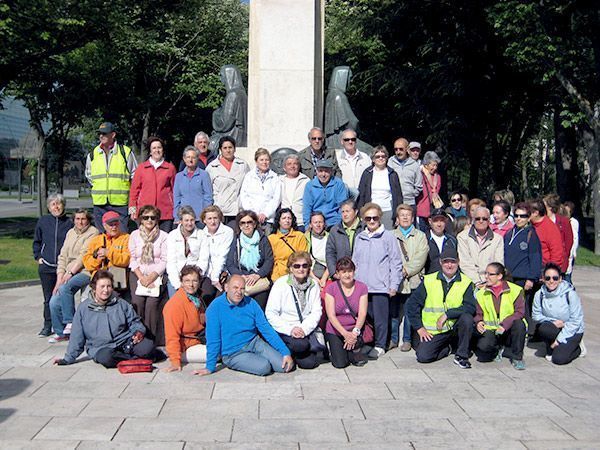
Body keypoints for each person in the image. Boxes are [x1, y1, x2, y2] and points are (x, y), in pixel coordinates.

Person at [195, 274, 294, 377]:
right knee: (264, 367)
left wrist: (285, 352)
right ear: (226, 287)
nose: (239, 292)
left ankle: (256, 358)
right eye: (235, 287)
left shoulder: (251, 303)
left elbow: (266, 329)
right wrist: (209, 367)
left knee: (285, 366)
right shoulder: (215, 308)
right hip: (233, 352)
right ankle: (240, 362)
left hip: (254, 343)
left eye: (242, 288)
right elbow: (213, 339)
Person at [53, 270, 155, 368]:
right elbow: (76, 336)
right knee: (106, 358)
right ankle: (135, 359)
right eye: (102, 286)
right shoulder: (83, 309)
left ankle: (128, 358)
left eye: (109, 286)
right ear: (94, 288)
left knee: (148, 347)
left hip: (125, 341)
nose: (106, 290)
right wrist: (67, 359)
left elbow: (134, 321)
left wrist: (138, 331)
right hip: (101, 347)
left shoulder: (121, 303)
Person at [406, 247, 475, 368]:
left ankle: (462, 355)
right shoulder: (429, 280)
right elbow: (412, 305)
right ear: (440, 262)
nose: (449, 265)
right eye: (446, 261)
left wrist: (448, 314)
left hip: (455, 327)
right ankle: (447, 348)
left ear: (458, 262)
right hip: (435, 331)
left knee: (467, 318)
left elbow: (470, 307)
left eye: (453, 262)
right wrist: (420, 328)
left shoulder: (466, 282)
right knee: (423, 357)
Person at [352, 203, 403, 359]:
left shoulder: (388, 237)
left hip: (380, 286)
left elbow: (396, 262)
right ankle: (368, 342)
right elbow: (355, 261)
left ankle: (381, 344)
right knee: (365, 317)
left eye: (375, 217)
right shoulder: (360, 237)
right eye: (368, 218)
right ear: (363, 219)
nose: (372, 221)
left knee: (381, 318)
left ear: (380, 218)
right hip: (362, 286)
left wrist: (394, 285)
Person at [48, 209, 98, 343]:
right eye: (77, 219)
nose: (80, 222)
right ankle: (61, 332)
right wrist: (59, 279)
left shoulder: (93, 232)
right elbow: (63, 255)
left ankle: (70, 322)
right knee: (53, 301)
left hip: (85, 271)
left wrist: (70, 273)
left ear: (88, 220)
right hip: (67, 272)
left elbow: (83, 256)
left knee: (66, 288)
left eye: (83, 219)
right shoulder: (70, 232)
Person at [265, 252, 323, 369]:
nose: (300, 269)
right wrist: (290, 330)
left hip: (304, 329)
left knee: (309, 363)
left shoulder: (314, 285)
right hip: (285, 328)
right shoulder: (281, 284)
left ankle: (294, 353)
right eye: (296, 266)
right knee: (301, 345)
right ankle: (284, 349)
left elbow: (316, 311)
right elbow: (271, 313)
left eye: (304, 266)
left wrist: (303, 329)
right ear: (290, 268)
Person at [33, 194, 73, 337]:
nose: (56, 207)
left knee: (62, 297)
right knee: (48, 297)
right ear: (49, 208)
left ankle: (63, 324)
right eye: (53, 204)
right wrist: (38, 256)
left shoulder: (69, 223)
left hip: (64, 267)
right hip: (47, 266)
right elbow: (37, 241)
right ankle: (47, 325)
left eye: (58, 204)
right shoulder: (43, 221)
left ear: (63, 205)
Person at [474, 263, 527, 370]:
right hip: (492, 329)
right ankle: (498, 349)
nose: (486, 277)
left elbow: (519, 312)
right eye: (486, 273)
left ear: (499, 276)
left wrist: (504, 325)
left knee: (519, 324)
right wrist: (479, 321)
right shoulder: (481, 293)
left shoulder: (515, 290)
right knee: (483, 349)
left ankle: (517, 357)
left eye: (490, 274)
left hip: (509, 329)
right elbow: (479, 313)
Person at [86, 122, 137, 231]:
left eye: (104, 133)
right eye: (99, 133)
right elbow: (89, 176)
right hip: (100, 204)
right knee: (102, 237)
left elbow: (135, 177)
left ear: (113, 135)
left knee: (121, 236)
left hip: (120, 204)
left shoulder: (125, 152)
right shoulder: (92, 154)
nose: (101, 136)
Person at [391, 204, 428, 352]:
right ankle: (393, 339)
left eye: (408, 215)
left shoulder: (420, 236)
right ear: (397, 219)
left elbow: (421, 257)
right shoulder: (390, 235)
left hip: (413, 279)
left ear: (413, 218)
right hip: (394, 280)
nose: (405, 217)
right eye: (402, 215)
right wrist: (396, 272)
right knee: (393, 311)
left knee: (409, 310)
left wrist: (406, 270)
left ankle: (407, 339)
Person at [128, 205, 168, 341]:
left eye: (153, 217)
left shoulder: (163, 236)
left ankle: (150, 338)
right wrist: (141, 278)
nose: (149, 220)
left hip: (156, 275)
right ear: (141, 220)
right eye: (146, 217)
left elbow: (164, 260)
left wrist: (152, 277)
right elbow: (132, 258)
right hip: (137, 274)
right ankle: (137, 333)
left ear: (157, 219)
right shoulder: (134, 235)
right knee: (137, 301)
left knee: (152, 304)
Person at [533, 263, 585, 365]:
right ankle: (552, 347)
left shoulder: (570, 294)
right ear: (543, 279)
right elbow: (536, 316)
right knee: (544, 328)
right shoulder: (539, 294)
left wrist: (559, 340)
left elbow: (576, 320)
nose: (551, 281)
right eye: (547, 278)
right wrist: (553, 322)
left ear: (560, 279)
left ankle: (578, 349)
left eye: (555, 278)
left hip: (573, 329)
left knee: (559, 360)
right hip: (555, 327)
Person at [504, 202, 542, 336]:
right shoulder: (509, 233)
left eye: (523, 216)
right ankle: (512, 329)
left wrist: (531, 278)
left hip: (523, 278)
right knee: (511, 305)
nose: (519, 218)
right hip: (509, 277)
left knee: (523, 306)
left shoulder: (531, 234)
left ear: (529, 217)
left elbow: (535, 258)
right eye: (516, 215)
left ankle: (528, 331)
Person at [324, 257, 369, 368]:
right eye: (343, 272)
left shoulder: (362, 287)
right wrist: (345, 334)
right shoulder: (331, 288)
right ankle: (338, 349)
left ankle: (354, 350)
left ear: (354, 272)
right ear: (338, 274)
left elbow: (362, 313)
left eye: (350, 271)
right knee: (340, 364)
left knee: (353, 355)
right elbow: (331, 315)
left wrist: (354, 333)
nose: (347, 275)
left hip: (354, 328)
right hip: (336, 329)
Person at [225, 210, 274, 309]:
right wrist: (241, 276)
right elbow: (230, 263)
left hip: (258, 278)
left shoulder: (263, 239)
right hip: (241, 277)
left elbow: (269, 260)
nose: (246, 225)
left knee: (258, 305)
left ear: (255, 224)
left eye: (249, 222)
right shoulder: (236, 240)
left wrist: (258, 275)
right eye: (242, 223)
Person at [162, 265, 207, 372]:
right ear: (181, 282)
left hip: (199, 339)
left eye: (194, 281)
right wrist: (175, 361)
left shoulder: (197, 298)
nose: (191, 285)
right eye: (187, 281)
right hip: (186, 346)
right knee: (219, 352)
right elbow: (171, 335)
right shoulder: (174, 305)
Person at [129, 136, 177, 232]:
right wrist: (133, 210)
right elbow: (134, 191)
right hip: (146, 213)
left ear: (163, 150)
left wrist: (175, 211)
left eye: (159, 147)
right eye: (154, 148)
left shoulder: (170, 168)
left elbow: (175, 191)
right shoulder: (141, 168)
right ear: (150, 151)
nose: (157, 150)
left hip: (165, 212)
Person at [356, 145, 403, 230]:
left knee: (388, 237)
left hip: (388, 211)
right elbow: (361, 195)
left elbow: (399, 196)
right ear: (373, 159)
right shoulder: (367, 173)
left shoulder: (392, 174)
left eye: (383, 156)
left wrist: (398, 215)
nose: (380, 158)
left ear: (387, 158)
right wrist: (361, 214)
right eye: (377, 156)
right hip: (371, 211)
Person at [206, 136, 250, 224]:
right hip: (220, 210)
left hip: (237, 209)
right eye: (225, 148)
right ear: (220, 149)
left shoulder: (243, 165)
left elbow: (249, 186)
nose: (228, 150)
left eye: (230, 147)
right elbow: (208, 190)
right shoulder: (212, 167)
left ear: (234, 149)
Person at [195, 205, 234, 303]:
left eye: (215, 218)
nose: (213, 221)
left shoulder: (227, 232)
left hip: (223, 272)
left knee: (220, 300)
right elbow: (202, 258)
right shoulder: (201, 234)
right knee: (205, 297)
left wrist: (215, 277)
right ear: (204, 220)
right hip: (207, 274)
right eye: (209, 218)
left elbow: (222, 256)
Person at [457, 206, 504, 286]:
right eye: (478, 218)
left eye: (484, 219)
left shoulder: (498, 239)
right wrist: (478, 282)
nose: (481, 221)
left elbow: (498, 264)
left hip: (490, 283)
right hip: (469, 281)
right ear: (473, 220)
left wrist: (488, 281)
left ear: (489, 220)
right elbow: (465, 263)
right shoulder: (462, 237)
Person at [239, 148, 282, 234]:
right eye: (261, 160)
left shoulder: (275, 177)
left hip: (267, 220)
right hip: (251, 219)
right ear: (256, 161)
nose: (264, 162)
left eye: (267, 160)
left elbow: (276, 199)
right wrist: (253, 214)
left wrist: (265, 214)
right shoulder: (249, 176)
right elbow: (244, 196)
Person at [166, 206, 203, 298]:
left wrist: (192, 280)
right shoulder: (172, 235)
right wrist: (178, 284)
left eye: (192, 220)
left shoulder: (202, 235)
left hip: (195, 276)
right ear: (181, 221)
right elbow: (171, 261)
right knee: (176, 302)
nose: (189, 223)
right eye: (186, 220)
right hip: (177, 275)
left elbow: (203, 259)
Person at [173, 145, 213, 226]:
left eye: (193, 157)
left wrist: (205, 215)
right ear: (184, 159)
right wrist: (176, 216)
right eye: (188, 157)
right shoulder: (179, 176)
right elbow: (177, 198)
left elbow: (208, 197)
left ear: (197, 159)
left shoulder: (204, 175)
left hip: (199, 218)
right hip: (184, 218)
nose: (190, 160)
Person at [302, 159, 348, 228]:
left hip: (334, 221)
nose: (323, 174)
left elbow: (342, 206)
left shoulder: (339, 184)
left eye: (326, 171)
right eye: (320, 171)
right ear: (316, 171)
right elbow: (307, 208)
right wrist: (307, 226)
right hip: (317, 222)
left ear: (331, 172)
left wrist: (339, 223)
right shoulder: (310, 186)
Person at [82, 211, 130, 277]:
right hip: (99, 278)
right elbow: (87, 264)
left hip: (118, 278)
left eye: (116, 224)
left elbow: (126, 260)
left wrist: (108, 253)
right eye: (111, 225)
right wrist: (98, 259)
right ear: (104, 226)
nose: (114, 227)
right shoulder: (96, 240)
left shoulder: (126, 238)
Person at [325, 199, 365, 277]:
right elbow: (330, 253)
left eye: (347, 211)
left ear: (356, 212)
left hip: (361, 274)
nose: (345, 214)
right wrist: (333, 272)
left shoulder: (364, 228)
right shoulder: (335, 230)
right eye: (343, 212)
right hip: (341, 275)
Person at [268, 208, 309, 282]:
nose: (287, 220)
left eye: (289, 218)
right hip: (277, 276)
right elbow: (270, 260)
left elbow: (303, 257)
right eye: (284, 218)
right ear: (279, 221)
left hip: (295, 274)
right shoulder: (271, 238)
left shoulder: (299, 236)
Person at [387, 137, 422, 214]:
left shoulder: (414, 165)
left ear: (407, 149)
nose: (398, 152)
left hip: (409, 202)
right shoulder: (390, 162)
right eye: (396, 149)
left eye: (401, 149)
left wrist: (411, 194)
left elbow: (419, 185)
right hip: (393, 202)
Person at [529, 199, 566, 272]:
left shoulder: (550, 228)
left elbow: (557, 252)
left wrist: (551, 271)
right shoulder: (529, 226)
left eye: (528, 212)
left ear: (536, 213)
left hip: (544, 268)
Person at [336, 129, 371, 199]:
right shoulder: (336, 158)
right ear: (342, 142)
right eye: (347, 140)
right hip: (344, 197)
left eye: (353, 139)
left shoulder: (365, 158)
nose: (350, 142)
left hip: (362, 197)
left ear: (356, 141)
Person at [544, 193, 574, 274]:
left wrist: (564, 258)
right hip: (544, 263)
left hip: (560, 263)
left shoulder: (564, 222)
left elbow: (569, 242)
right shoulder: (542, 221)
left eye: (544, 205)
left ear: (550, 207)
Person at [280, 154, 310, 231]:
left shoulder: (306, 181)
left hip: (300, 222)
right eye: (289, 164)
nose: (292, 166)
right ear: (284, 168)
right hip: (284, 222)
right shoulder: (279, 181)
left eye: (295, 164)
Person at [415, 151, 443, 231]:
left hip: (433, 211)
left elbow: (437, 191)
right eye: (433, 165)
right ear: (426, 165)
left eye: (436, 165)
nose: (435, 168)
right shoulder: (419, 175)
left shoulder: (437, 177)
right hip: (421, 211)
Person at [424, 208, 458, 274]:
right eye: (435, 221)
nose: (439, 224)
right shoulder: (424, 239)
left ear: (446, 221)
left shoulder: (452, 240)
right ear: (430, 221)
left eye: (442, 221)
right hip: (429, 278)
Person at [305, 212, 330, 287]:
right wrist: (315, 279)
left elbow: (332, 260)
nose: (318, 225)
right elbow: (304, 261)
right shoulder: (305, 238)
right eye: (315, 222)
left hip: (327, 275)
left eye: (320, 222)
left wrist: (323, 279)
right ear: (310, 224)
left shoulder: (330, 237)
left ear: (324, 224)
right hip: (310, 275)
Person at [562, 201, 579, 282]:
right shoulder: (562, 222)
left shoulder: (573, 222)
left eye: (568, 212)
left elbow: (574, 238)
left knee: (567, 276)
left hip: (570, 253)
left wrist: (574, 251)